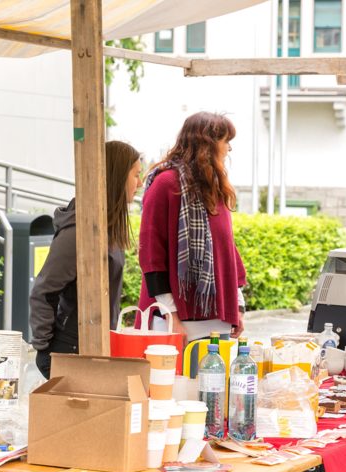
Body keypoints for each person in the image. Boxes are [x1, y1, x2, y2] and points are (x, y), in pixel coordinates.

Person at [30, 140, 142, 378]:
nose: (139, 183)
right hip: (70, 351)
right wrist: (45, 346)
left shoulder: (107, 226)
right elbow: (43, 289)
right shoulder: (79, 231)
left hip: (93, 348)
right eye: (136, 175)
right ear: (117, 177)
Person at [138, 112, 247, 342]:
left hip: (217, 319)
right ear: (207, 144)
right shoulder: (165, 184)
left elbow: (227, 249)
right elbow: (151, 254)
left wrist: (237, 306)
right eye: (225, 141)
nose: (228, 149)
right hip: (175, 320)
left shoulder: (215, 187)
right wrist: (171, 316)